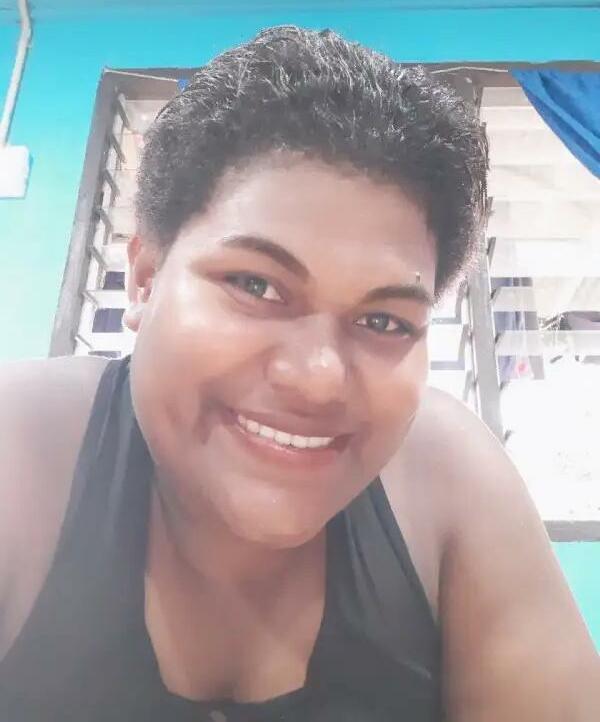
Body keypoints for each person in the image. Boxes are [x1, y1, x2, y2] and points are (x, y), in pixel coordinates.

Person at [0, 25, 598, 722]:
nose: (318, 378)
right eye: (255, 285)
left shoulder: (449, 479)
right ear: (144, 279)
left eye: (384, 321)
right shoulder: (19, 453)